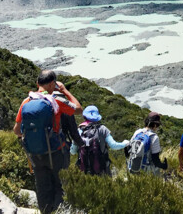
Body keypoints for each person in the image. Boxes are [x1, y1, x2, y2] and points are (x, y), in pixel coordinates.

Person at [13, 70, 82, 214]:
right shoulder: (55, 100)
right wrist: (64, 90)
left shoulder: (26, 101)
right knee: (60, 186)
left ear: (38, 83)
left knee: (43, 189)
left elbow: (17, 131)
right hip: (57, 152)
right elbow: (78, 109)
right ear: (52, 84)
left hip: (35, 155)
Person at [77, 105, 128, 175]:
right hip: (101, 168)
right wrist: (125, 143)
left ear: (84, 116)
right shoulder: (102, 129)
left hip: (84, 169)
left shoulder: (80, 130)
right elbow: (113, 145)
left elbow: (73, 151)